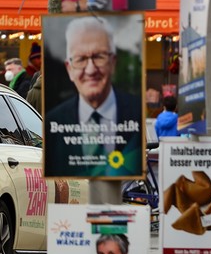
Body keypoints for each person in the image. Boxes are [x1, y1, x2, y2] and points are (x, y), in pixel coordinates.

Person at [45, 16, 142, 177]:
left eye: (99, 57)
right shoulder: (52, 123)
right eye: (81, 59)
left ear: (113, 62)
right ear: (69, 69)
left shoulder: (137, 112)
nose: (90, 70)